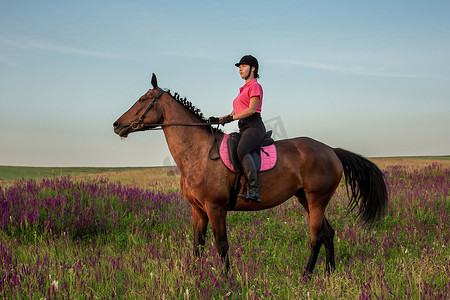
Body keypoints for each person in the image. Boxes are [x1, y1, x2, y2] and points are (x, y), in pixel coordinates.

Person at [213, 55, 266, 203]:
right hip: (243, 127)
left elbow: (251, 110)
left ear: (253, 68)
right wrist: (218, 119)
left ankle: (254, 190)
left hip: (254, 126)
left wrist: (231, 118)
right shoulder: (242, 90)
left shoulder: (255, 86)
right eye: (239, 67)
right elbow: (233, 113)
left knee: (242, 149)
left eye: (243, 66)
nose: (240, 69)